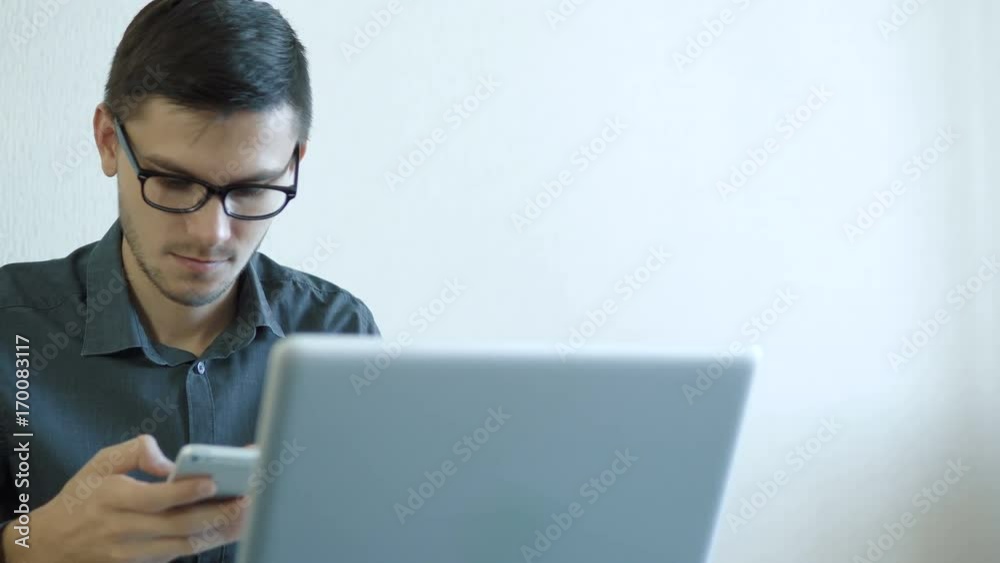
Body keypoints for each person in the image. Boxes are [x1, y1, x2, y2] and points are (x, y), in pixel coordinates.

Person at [0, 1, 379, 562]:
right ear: (109, 141)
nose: (213, 234)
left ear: (295, 164)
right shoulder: (12, 327)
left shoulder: (337, 332)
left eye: (253, 190)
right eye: (174, 182)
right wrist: (26, 546)